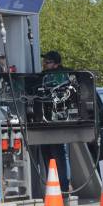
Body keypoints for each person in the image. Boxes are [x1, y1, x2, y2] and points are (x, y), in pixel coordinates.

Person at [39, 51, 70, 194]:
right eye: (44, 61)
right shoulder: (43, 76)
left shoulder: (61, 76)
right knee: (47, 152)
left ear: (56, 64)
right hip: (44, 121)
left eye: (48, 62)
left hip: (58, 120)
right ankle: (53, 187)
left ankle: (63, 187)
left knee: (58, 153)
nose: (45, 64)